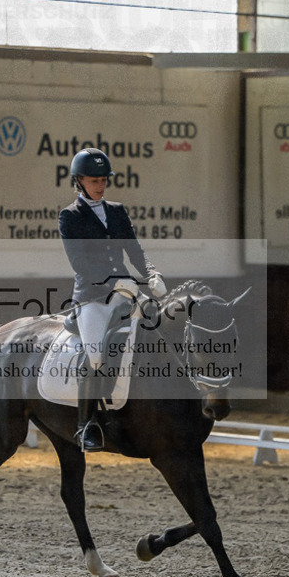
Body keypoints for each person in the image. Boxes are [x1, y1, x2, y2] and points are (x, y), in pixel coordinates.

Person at [59, 147, 166, 451]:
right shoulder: (70, 216)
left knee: (157, 327)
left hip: (125, 292)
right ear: (79, 181)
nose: (100, 185)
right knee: (95, 355)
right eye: (94, 180)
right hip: (92, 296)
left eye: (104, 179)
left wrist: (151, 273)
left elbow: (134, 250)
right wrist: (113, 281)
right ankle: (86, 425)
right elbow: (80, 264)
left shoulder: (117, 211)